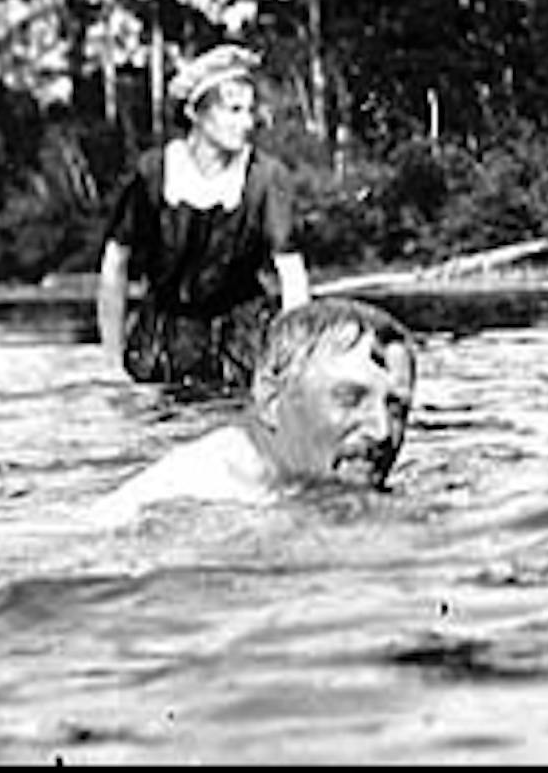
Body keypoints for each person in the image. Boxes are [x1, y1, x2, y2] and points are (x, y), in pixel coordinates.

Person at [96, 43, 311, 392]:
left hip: (243, 342)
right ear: (197, 113)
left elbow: (292, 277)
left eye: (250, 110)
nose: (246, 123)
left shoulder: (266, 178)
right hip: (160, 342)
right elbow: (114, 264)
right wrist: (111, 364)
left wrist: (292, 363)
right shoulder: (154, 172)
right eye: (233, 110)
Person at [86, 296, 418, 522]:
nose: (382, 431)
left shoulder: (293, 482)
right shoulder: (199, 502)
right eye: (349, 398)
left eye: (397, 410)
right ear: (271, 399)